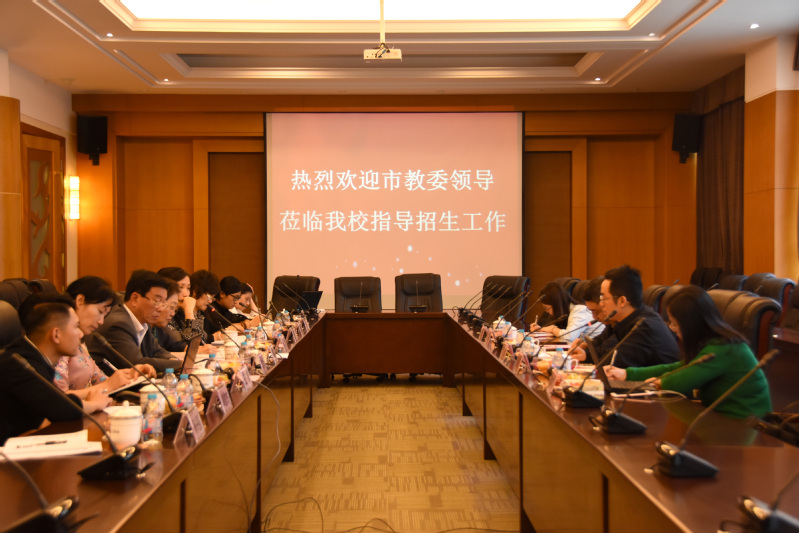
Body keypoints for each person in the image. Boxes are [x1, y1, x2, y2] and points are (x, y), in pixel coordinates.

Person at [605, 285, 772, 419]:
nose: (673, 329)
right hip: (718, 420)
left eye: (675, 324)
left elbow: (681, 380)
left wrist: (660, 382)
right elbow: (680, 367)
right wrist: (627, 374)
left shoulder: (725, 348)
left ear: (692, 324)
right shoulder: (713, 344)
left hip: (745, 429)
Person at [0, 292, 111, 444]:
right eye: (76, 327)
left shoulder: (34, 357)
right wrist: (94, 404)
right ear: (56, 334)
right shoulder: (19, 363)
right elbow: (61, 408)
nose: (80, 334)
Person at [55, 276, 155, 395]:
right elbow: (58, 397)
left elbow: (99, 380)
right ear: (80, 300)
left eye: (105, 315)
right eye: (100, 311)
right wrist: (109, 385)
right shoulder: (60, 341)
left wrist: (131, 374)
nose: (101, 321)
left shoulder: (81, 341)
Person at [573, 265, 679, 368]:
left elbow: (614, 363)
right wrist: (585, 354)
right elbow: (600, 346)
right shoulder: (623, 319)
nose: (601, 303)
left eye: (604, 298)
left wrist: (586, 356)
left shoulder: (643, 326)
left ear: (622, 301)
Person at [85, 270, 181, 373]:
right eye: (157, 302)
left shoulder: (144, 322)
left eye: (163, 303)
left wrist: (173, 360)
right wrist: (181, 364)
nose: (161, 309)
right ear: (135, 299)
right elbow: (137, 364)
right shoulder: (118, 324)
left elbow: (157, 351)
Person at [530, 282, 595, 343]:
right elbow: (562, 337)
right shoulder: (566, 313)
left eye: (547, 308)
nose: (547, 312)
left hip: (593, 349)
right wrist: (541, 330)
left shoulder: (580, 310)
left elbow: (569, 337)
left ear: (557, 305)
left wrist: (553, 329)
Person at [171, 269, 220, 344]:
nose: (186, 294)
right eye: (180, 287)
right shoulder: (180, 313)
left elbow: (201, 340)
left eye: (188, 288)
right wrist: (189, 312)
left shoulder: (200, 313)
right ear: (195, 291)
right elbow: (193, 344)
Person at [149, 280, 187, 353]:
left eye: (175, 309)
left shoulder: (159, 329)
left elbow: (177, 346)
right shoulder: (142, 327)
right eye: (172, 307)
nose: (173, 314)